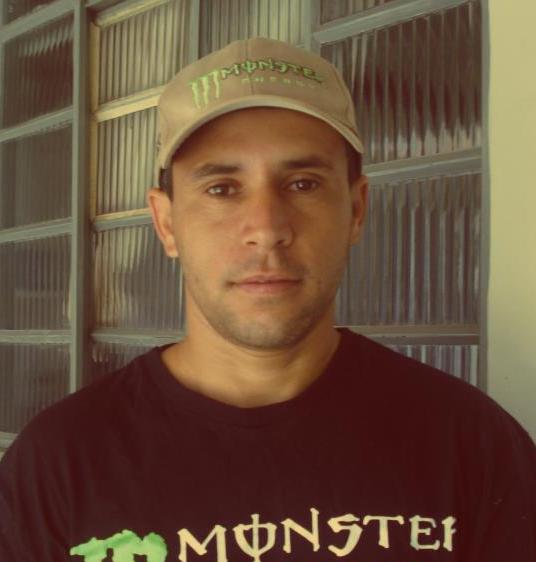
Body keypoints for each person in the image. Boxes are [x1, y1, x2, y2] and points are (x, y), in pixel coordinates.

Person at [1, 37, 535, 562]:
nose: (267, 228)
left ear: (356, 210)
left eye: (303, 184)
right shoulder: (58, 466)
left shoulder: (473, 446)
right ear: (166, 222)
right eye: (221, 188)